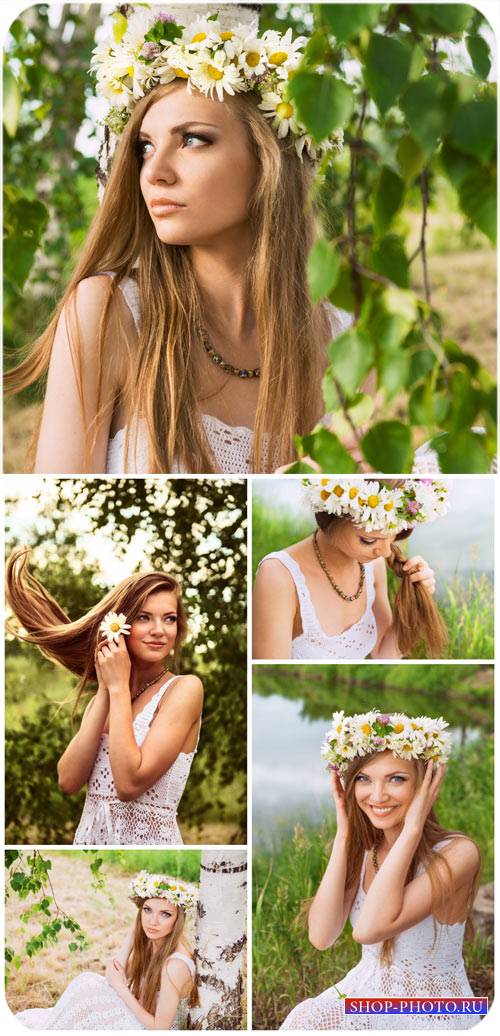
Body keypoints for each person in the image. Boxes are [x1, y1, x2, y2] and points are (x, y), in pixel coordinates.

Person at [5, 5, 347, 475]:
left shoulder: (342, 344)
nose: (155, 172)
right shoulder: (109, 313)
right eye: (145, 146)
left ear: (270, 160)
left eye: (192, 140)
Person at [281, 710, 482, 1030]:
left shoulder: (459, 853)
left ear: (426, 782)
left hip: (432, 1007)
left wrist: (414, 827)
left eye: (396, 779)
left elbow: (369, 929)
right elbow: (321, 936)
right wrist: (344, 836)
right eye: (363, 778)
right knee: (305, 1018)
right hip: (366, 988)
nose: (377, 796)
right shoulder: (364, 850)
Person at [5, 548, 204, 844]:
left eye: (170, 619)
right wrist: (107, 689)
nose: (159, 631)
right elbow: (68, 780)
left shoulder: (184, 689)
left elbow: (129, 782)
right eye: (144, 618)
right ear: (120, 625)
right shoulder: (112, 693)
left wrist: (118, 688)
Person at [253, 478, 449, 660]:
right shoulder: (278, 576)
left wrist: (416, 601)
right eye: (369, 540)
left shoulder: (373, 565)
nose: (385, 551)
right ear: (332, 515)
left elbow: (382, 654)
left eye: (395, 536)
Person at [15, 871, 199, 1029]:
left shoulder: (175, 965)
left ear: (178, 921)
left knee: (89, 990)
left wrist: (122, 990)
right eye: (147, 910)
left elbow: (160, 1028)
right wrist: (134, 934)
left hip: (148, 1028)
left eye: (165, 914)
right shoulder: (154, 942)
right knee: (86, 983)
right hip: (141, 1017)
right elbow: (114, 972)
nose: (152, 921)